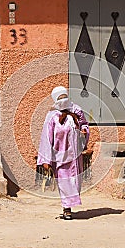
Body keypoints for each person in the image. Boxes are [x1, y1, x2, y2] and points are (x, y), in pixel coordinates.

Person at [37, 86, 89, 220]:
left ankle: (70, 204)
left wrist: (83, 131)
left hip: (75, 156)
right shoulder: (52, 116)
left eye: (64, 97)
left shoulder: (76, 111)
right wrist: (46, 160)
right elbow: (46, 138)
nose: (63, 100)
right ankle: (67, 209)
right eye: (60, 98)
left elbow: (84, 124)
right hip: (60, 156)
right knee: (64, 182)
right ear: (55, 99)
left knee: (75, 182)